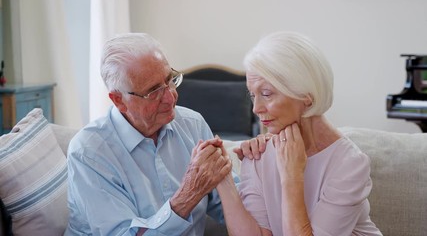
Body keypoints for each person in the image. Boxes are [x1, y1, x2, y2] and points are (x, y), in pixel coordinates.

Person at [65, 33, 258, 235]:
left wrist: (262, 170)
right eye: (154, 91)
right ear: (119, 100)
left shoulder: (192, 124)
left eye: (170, 80)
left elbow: (227, 202)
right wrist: (189, 194)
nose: (170, 96)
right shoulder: (89, 153)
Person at [216, 31, 382, 235]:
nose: (256, 108)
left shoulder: (350, 164)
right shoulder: (258, 153)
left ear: (306, 96)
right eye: (253, 95)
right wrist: (223, 178)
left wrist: (292, 176)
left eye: (266, 94)